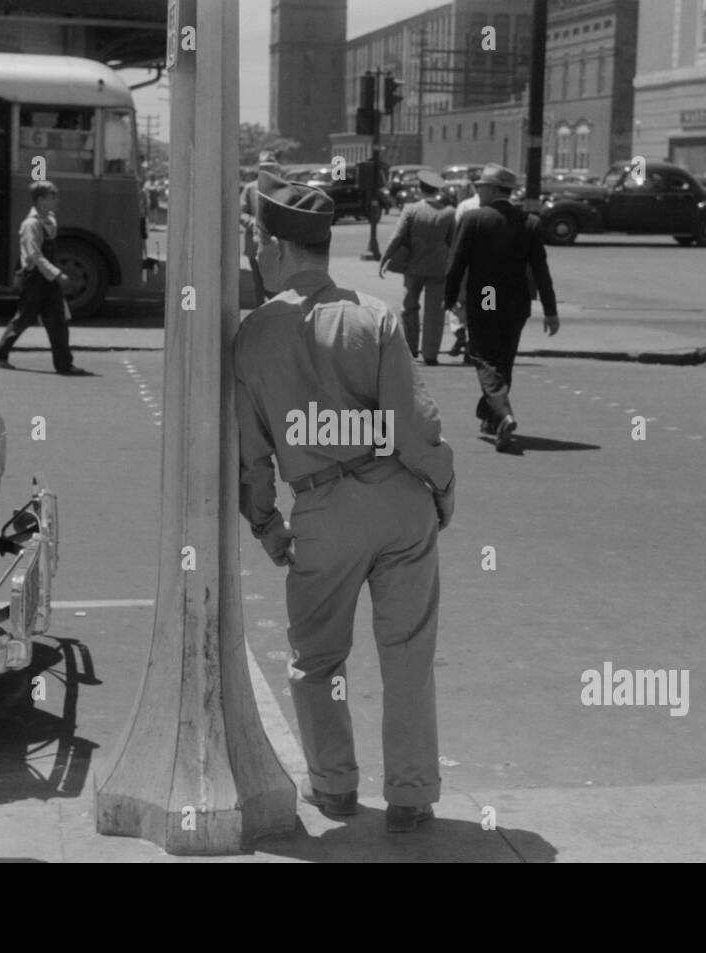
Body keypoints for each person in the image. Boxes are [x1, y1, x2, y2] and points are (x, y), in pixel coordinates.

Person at [233, 169, 455, 834]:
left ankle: (333, 786)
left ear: (276, 249)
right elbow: (416, 427)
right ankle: (412, 794)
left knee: (318, 660)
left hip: (322, 512)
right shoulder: (375, 316)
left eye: (256, 243)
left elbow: (252, 457)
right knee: (408, 654)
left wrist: (270, 528)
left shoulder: (253, 336)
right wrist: (440, 490)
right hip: (397, 499)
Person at [444, 163, 559, 453]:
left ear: (494, 189)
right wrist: (550, 309)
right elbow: (541, 270)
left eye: (481, 186)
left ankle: (503, 414)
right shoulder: (529, 222)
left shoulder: (474, 219)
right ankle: (491, 417)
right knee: (503, 359)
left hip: (487, 295)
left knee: (484, 356)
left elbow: (456, 263)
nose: (477, 190)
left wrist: (449, 298)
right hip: (516, 300)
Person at [0, 180, 89, 375]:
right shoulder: (30, 225)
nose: (56, 201)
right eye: (52, 197)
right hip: (35, 279)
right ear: (41, 200)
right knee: (25, 317)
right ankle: (1, 350)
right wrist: (58, 274)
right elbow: (35, 256)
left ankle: (64, 364)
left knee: (58, 321)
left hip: (48, 279)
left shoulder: (49, 220)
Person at [379, 170, 456, 364]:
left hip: (413, 267)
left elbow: (397, 236)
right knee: (435, 312)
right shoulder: (448, 213)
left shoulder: (411, 209)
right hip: (439, 269)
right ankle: (431, 354)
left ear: (420, 189)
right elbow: (453, 243)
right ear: (437, 189)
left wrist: (385, 258)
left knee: (409, 308)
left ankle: (411, 349)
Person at [445, 182, 481, 360]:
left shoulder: (465, 206)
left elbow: (456, 238)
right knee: (486, 305)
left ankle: (460, 334)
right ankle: (474, 344)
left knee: (457, 303)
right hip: (489, 271)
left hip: (465, 265)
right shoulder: (498, 208)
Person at [239, 150, 278, 307]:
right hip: (255, 242)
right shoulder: (250, 188)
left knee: (276, 278)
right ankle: (258, 309)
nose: (268, 171)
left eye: (271, 167)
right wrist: (252, 221)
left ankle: (276, 308)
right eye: (264, 167)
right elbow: (241, 212)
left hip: (277, 243)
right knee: (258, 279)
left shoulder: (282, 188)